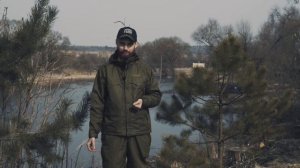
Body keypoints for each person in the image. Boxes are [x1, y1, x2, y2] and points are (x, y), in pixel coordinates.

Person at [87, 26, 161, 168]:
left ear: (136, 45)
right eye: (122, 44)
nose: (125, 48)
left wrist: (144, 101)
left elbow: (156, 95)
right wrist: (92, 133)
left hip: (139, 133)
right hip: (112, 133)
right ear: (116, 43)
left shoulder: (145, 69)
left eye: (129, 44)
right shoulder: (105, 71)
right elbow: (97, 103)